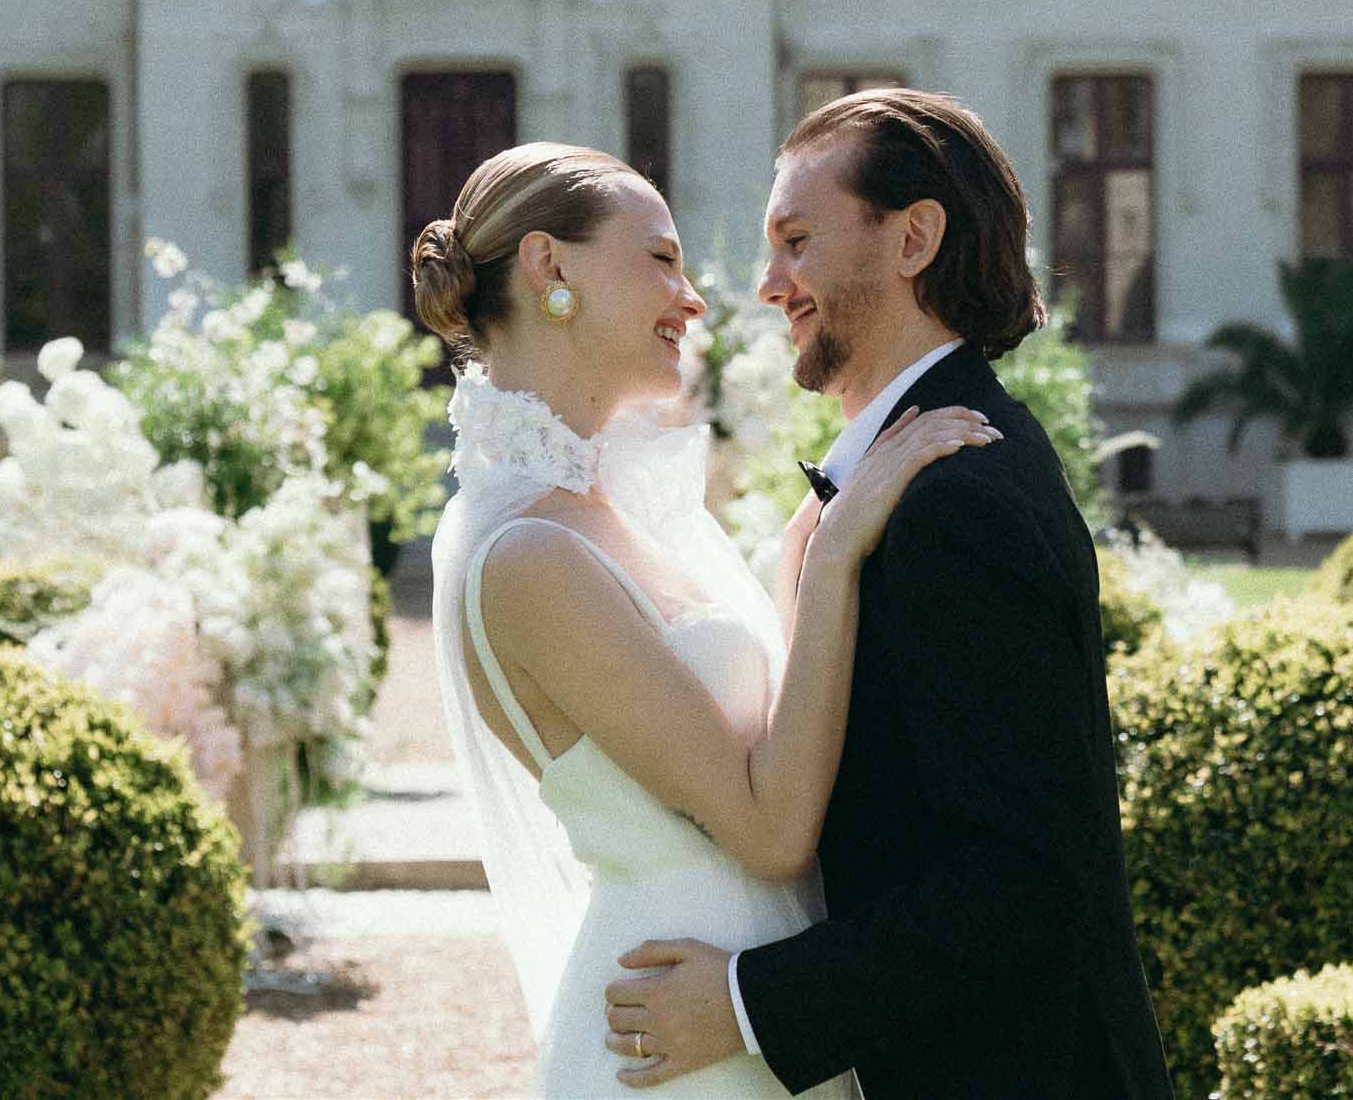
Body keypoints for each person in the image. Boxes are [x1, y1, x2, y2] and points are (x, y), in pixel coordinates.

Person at [602, 90, 1173, 1098]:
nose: (768, 284)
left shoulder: (956, 499)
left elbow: (1023, 875)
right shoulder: (913, 475)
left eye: (797, 241)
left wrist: (745, 1002)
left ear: (913, 239)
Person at [411, 141, 998, 1098]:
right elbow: (769, 830)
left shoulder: (604, 515)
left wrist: (800, 556)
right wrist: (837, 559)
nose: (692, 299)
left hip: (741, 1012)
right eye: (660, 258)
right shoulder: (525, 559)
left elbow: (754, 736)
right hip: (673, 1041)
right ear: (549, 264)